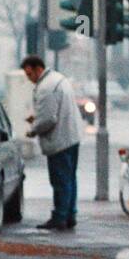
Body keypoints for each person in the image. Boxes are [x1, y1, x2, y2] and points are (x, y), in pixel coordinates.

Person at [20, 56, 82, 231]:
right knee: (70, 178)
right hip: (72, 136)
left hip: (59, 141)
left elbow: (48, 119)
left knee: (60, 180)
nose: (29, 78)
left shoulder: (46, 88)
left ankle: (60, 217)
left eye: (29, 73)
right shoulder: (59, 79)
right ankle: (70, 214)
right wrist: (38, 117)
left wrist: (33, 129)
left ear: (38, 69)